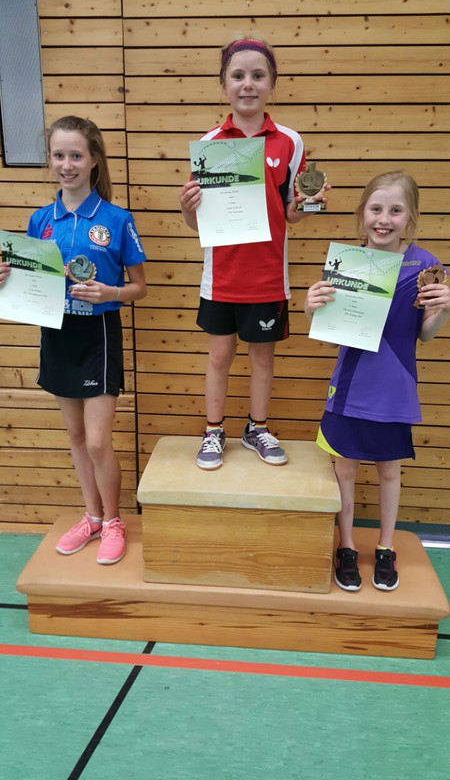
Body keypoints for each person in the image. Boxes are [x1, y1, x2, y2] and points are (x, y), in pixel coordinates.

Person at [180, 37, 329, 470]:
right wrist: (187, 209)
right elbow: (199, 225)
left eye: (258, 76)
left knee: (263, 359)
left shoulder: (290, 142)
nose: (248, 84)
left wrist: (308, 204)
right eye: (238, 75)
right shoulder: (210, 143)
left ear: (272, 84)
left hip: (268, 277)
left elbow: (291, 212)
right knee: (219, 357)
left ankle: (256, 428)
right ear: (224, 84)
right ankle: (213, 431)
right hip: (221, 278)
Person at [305, 171, 450, 592]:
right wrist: (311, 308)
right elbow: (330, 330)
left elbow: (426, 334)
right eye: (376, 209)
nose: (384, 219)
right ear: (362, 213)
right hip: (350, 386)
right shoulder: (347, 265)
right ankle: (347, 546)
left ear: (411, 217)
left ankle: (386, 547)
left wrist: (445, 308)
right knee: (344, 469)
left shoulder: (427, 266)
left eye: (395, 210)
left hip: (395, 387)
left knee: (389, 472)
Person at [24, 116, 147, 564]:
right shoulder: (40, 220)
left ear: (94, 160)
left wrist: (110, 293)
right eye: (59, 155)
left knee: (97, 441)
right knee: (76, 436)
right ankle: (92, 517)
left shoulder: (116, 219)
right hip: (57, 334)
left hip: (99, 334)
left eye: (76, 155)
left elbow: (139, 287)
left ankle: (113, 521)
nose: (67, 164)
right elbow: (32, 283)